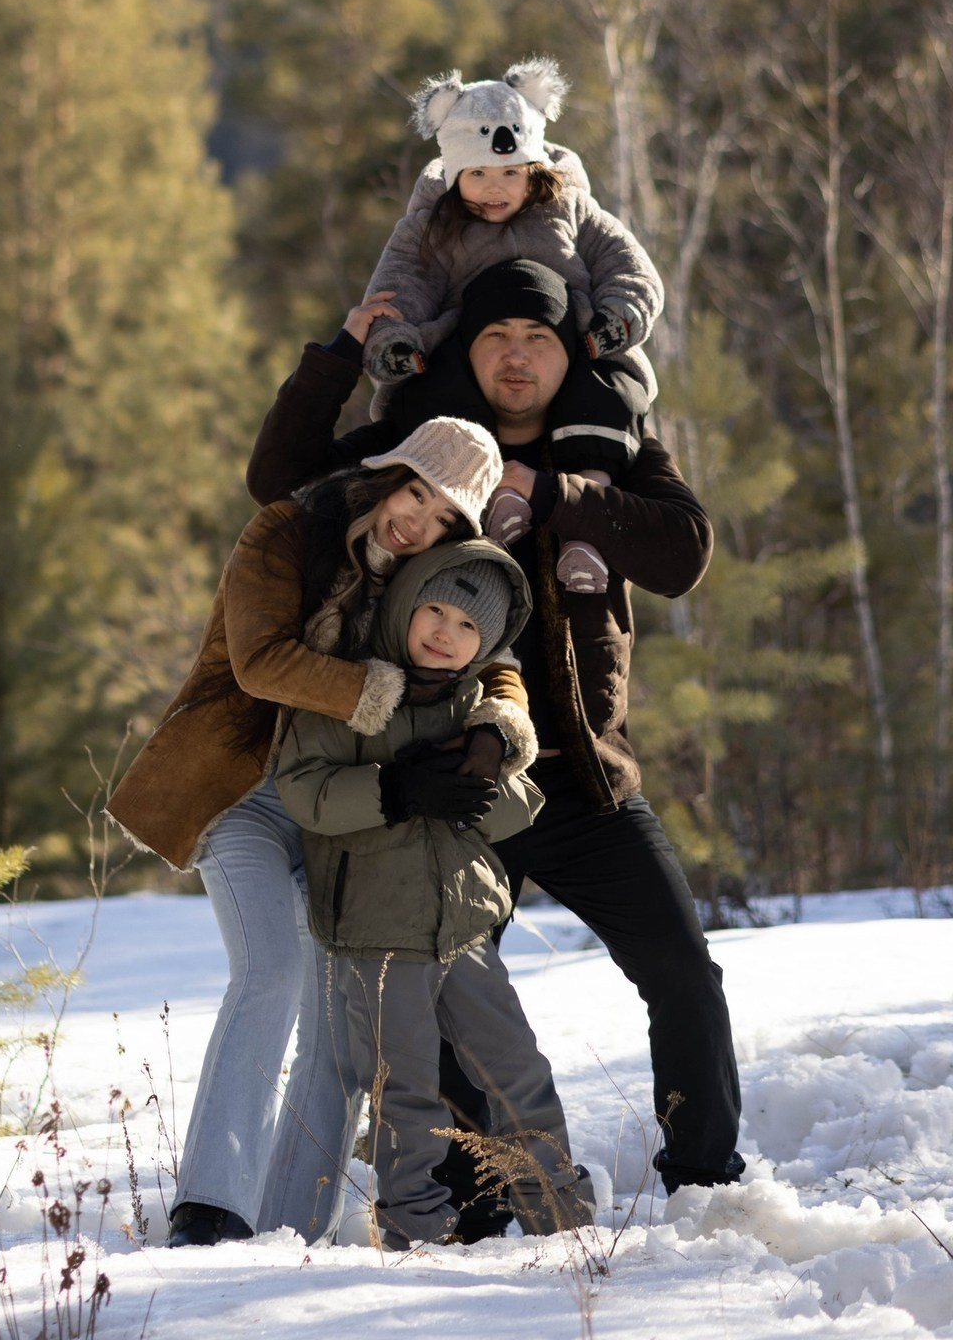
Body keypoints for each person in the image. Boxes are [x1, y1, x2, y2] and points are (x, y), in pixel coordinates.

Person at [247, 256, 744, 1224]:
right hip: (444, 784)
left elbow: (682, 553)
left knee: (682, 971)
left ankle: (704, 1178)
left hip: (583, 783)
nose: (515, 357)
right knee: (439, 1004)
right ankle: (471, 1204)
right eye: (493, 338)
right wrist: (342, 352)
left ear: (571, 350)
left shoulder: (613, 444)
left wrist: (553, 491)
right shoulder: (420, 451)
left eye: (536, 339)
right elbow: (278, 479)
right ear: (463, 351)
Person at [106, 415, 532, 1248]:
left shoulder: (430, 574)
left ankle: (293, 1226)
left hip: (345, 809)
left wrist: (498, 731)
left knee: (340, 1022)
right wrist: (382, 694)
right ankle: (212, 1210)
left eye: (446, 519)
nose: (420, 523)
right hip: (245, 790)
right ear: (388, 477)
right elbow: (260, 660)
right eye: (417, 494)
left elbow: (497, 663)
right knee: (268, 969)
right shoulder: (285, 532)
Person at [277, 540, 595, 1249]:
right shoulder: (347, 695)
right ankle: (414, 1230)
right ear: (405, 604)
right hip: (376, 933)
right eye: (437, 610)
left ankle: (560, 1219)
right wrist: (394, 788)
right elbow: (305, 792)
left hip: (465, 929)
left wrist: (480, 792)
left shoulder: (478, 709)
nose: (446, 633)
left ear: (488, 644)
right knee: (406, 1092)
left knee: (518, 1071)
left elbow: (524, 803)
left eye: (469, 627)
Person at [360, 59, 664, 596]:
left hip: (576, 340)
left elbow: (627, 263)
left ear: (534, 167)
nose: (493, 189)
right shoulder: (434, 224)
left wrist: (619, 315)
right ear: (454, 175)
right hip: (472, 349)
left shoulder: (570, 207)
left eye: (508, 173)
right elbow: (403, 283)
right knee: (441, 389)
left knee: (606, 392)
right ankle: (484, 492)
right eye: (476, 174)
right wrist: (395, 339)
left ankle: (585, 532)